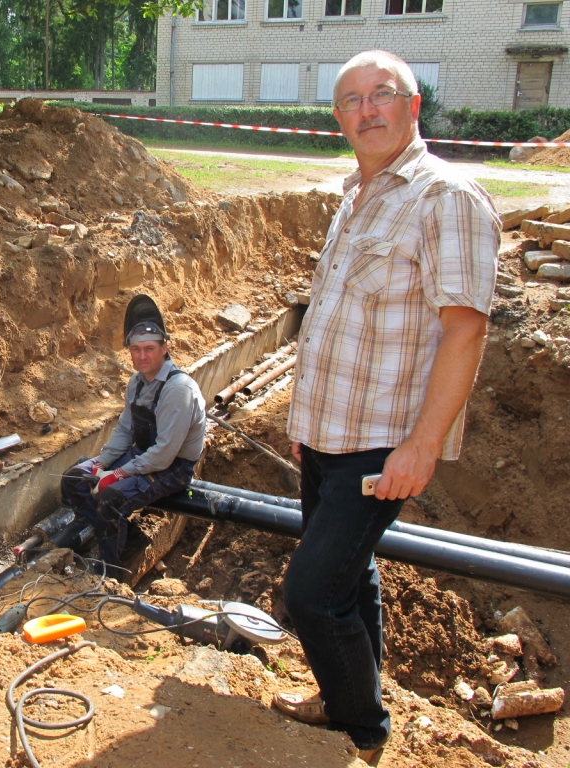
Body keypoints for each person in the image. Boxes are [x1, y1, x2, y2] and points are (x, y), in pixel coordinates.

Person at [275, 51, 499, 762]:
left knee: (310, 596)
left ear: (413, 105)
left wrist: (422, 446)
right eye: (351, 100)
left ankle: (361, 731)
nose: (367, 110)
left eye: (383, 95)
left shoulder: (445, 198)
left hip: (380, 444)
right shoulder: (356, 195)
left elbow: (466, 329)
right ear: (338, 117)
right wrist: (303, 429)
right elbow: (336, 321)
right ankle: (349, 698)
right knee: (352, 575)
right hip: (328, 437)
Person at [61, 295, 206, 572]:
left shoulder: (178, 390)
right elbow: (126, 430)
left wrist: (116, 475)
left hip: (172, 467)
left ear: (165, 348)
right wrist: (102, 464)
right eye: (136, 349)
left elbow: (164, 455)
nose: (142, 356)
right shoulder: (137, 382)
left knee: (109, 501)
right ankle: (125, 539)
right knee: (74, 480)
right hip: (142, 454)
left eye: (150, 348)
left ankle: (113, 573)